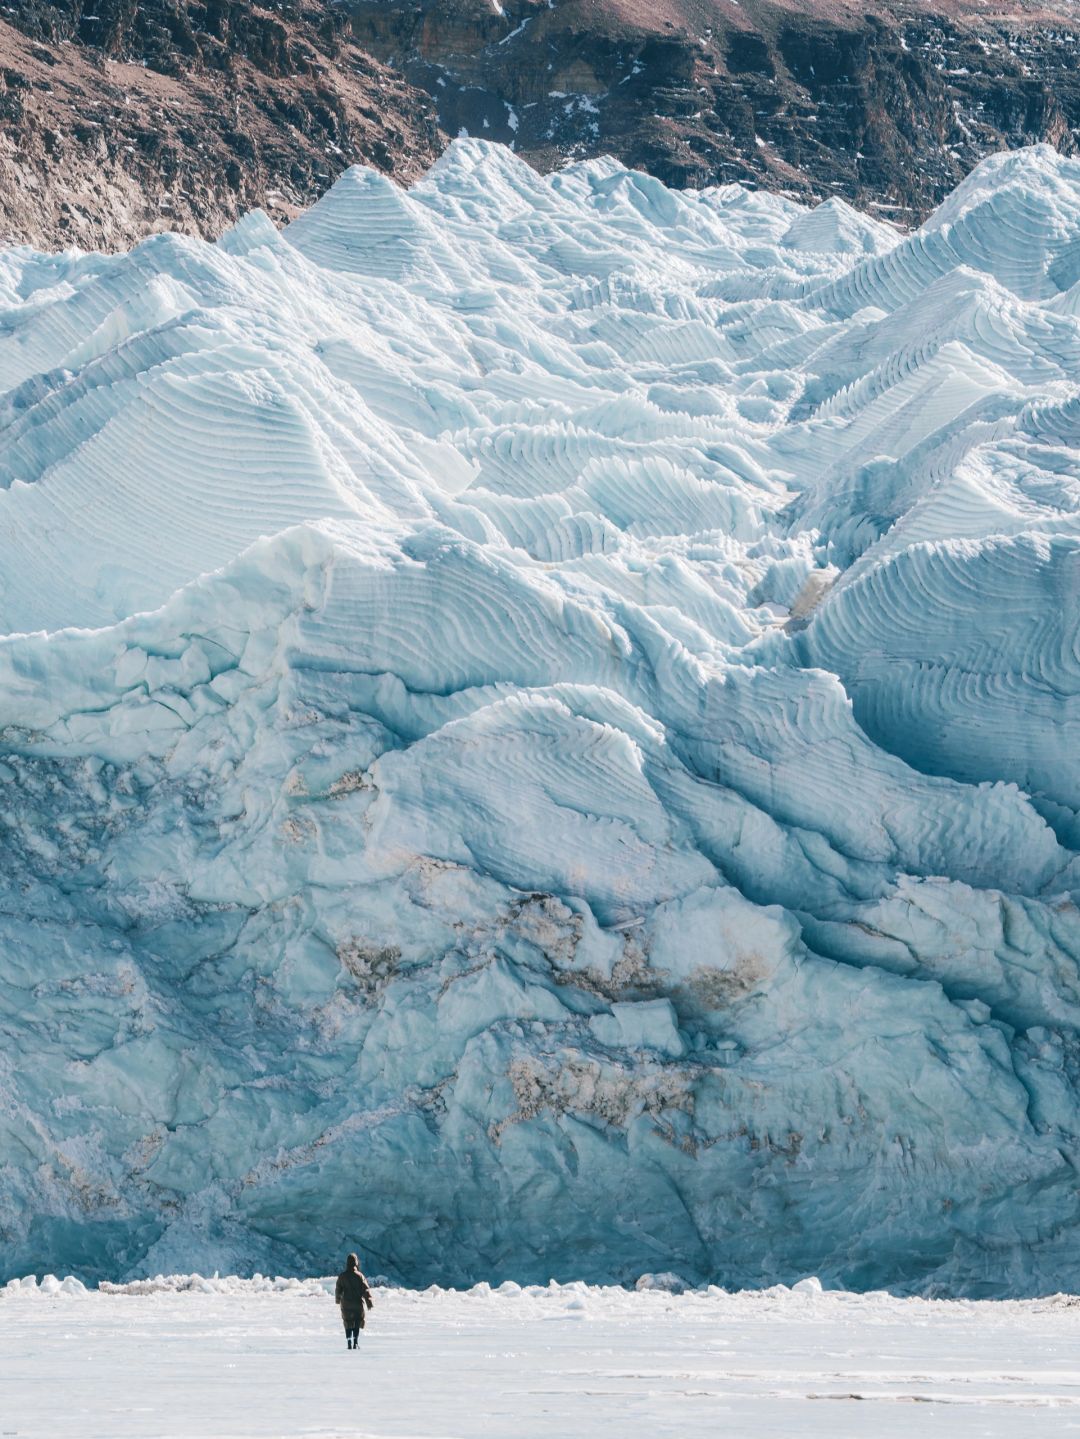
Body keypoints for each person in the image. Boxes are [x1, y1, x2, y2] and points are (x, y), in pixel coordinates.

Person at [335, 1253, 373, 1349]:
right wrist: (369, 1303)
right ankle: (355, 1342)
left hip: (346, 1304)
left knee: (347, 1322)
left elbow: (338, 1289)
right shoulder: (360, 1276)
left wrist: (338, 1300)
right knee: (356, 1322)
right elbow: (365, 1290)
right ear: (356, 1263)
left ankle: (349, 1343)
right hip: (357, 1304)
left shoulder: (342, 1276)